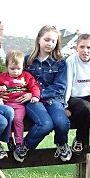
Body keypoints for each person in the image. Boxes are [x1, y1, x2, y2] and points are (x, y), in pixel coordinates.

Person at [24, 25, 72, 162]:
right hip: (33, 100)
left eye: (53, 41)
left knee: (61, 122)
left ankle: (61, 144)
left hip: (53, 99)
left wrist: (39, 94)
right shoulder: (27, 60)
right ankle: (25, 146)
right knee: (45, 124)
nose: (50, 43)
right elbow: (21, 81)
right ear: (39, 39)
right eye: (47, 39)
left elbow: (60, 86)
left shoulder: (60, 62)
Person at [0, 50, 40, 163]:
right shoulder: (2, 77)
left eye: (18, 68)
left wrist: (35, 96)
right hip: (7, 103)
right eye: (12, 69)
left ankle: (19, 143)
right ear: (7, 66)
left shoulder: (26, 76)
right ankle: (8, 139)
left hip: (19, 105)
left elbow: (34, 86)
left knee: (18, 120)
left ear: (22, 67)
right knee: (8, 119)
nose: (15, 72)